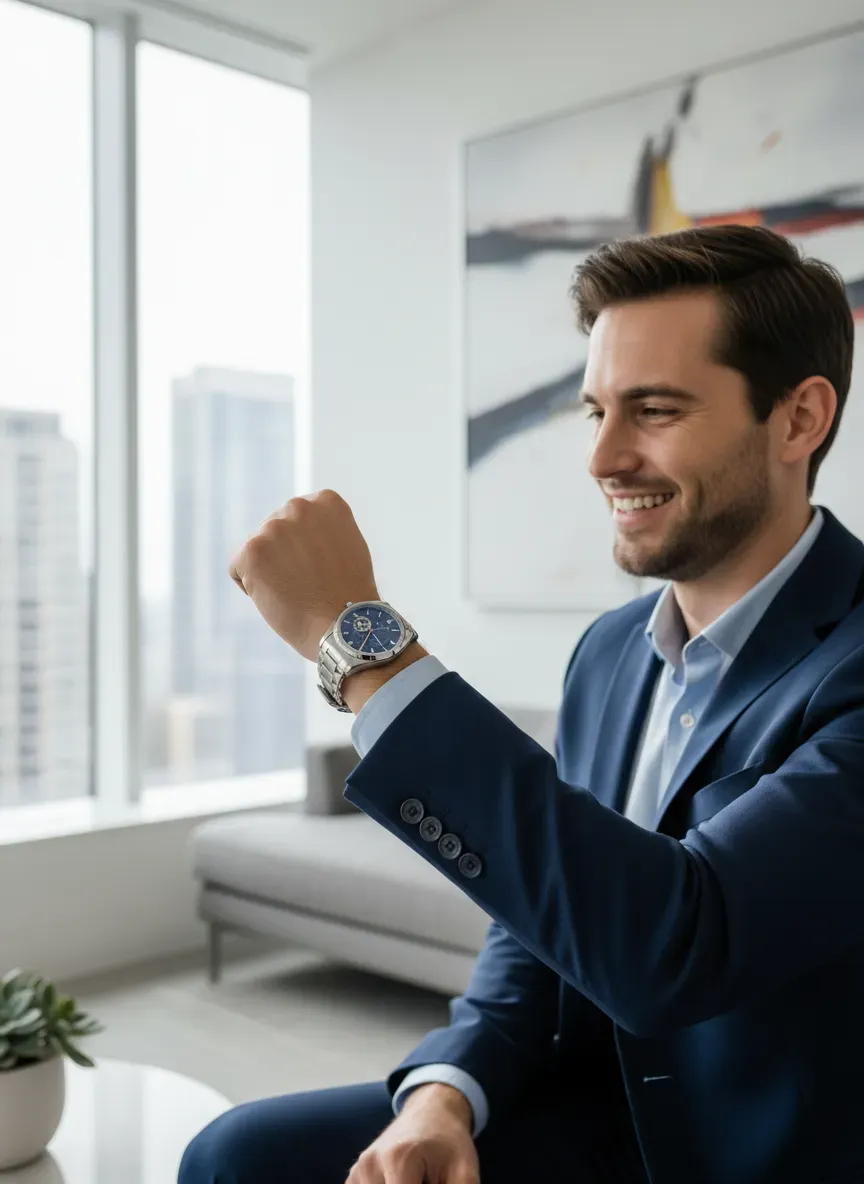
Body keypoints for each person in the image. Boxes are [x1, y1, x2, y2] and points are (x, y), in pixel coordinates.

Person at [179, 225, 864, 1184]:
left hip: (765, 1152)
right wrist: (447, 1093)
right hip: (602, 1113)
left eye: (654, 409)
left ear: (799, 419)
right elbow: (542, 922)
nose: (604, 457)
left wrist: (363, 646)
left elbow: (683, 942)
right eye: (595, 412)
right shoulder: (610, 651)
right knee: (237, 1156)